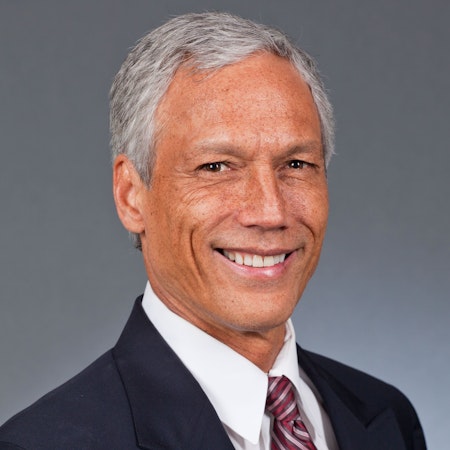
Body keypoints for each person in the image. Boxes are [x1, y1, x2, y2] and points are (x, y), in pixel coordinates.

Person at [0, 12, 426, 450]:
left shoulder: (389, 419)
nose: (270, 211)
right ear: (131, 196)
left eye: (296, 164)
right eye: (217, 167)